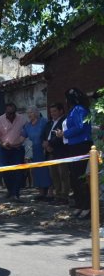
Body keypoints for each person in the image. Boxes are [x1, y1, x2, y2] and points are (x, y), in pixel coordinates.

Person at [55, 87, 92, 219]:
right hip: (73, 146)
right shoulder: (74, 110)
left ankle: (87, 206)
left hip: (81, 145)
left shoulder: (79, 109)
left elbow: (80, 127)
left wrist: (64, 133)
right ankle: (79, 204)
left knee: (81, 177)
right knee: (74, 177)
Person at [0, 103, 27, 201]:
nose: (11, 115)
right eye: (9, 113)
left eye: (13, 113)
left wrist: (21, 141)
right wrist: (2, 144)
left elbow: (26, 132)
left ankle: (15, 194)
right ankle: (10, 190)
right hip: (4, 149)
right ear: (5, 112)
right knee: (5, 171)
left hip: (18, 149)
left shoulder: (22, 119)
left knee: (18, 171)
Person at [42, 102, 70, 204]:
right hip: (50, 153)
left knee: (63, 174)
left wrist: (49, 144)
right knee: (54, 175)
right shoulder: (49, 123)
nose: (52, 113)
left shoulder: (65, 121)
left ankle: (64, 196)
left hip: (61, 152)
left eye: (54, 111)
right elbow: (44, 135)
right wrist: (45, 144)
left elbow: (61, 136)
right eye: (51, 111)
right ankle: (57, 195)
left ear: (61, 111)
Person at [22, 106, 51, 200]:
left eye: (31, 112)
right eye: (28, 113)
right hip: (35, 149)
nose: (29, 115)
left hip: (45, 148)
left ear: (37, 112)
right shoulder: (27, 125)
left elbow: (49, 133)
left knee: (47, 170)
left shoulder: (44, 121)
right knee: (37, 171)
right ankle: (41, 193)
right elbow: (22, 137)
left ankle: (50, 193)